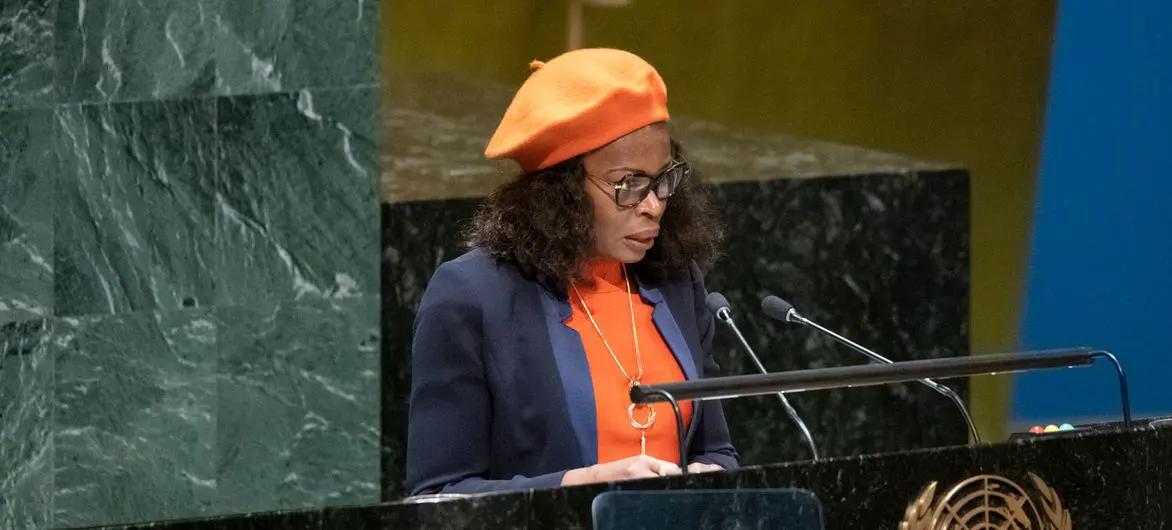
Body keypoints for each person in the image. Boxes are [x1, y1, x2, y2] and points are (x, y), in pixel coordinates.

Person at [405, 48, 738, 496]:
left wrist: (711, 474)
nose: (655, 204)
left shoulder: (676, 281)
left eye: (664, 179)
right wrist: (576, 486)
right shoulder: (473, 295)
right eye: (629, 184)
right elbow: (435, 496)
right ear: (560, 193)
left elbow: (716, 451)